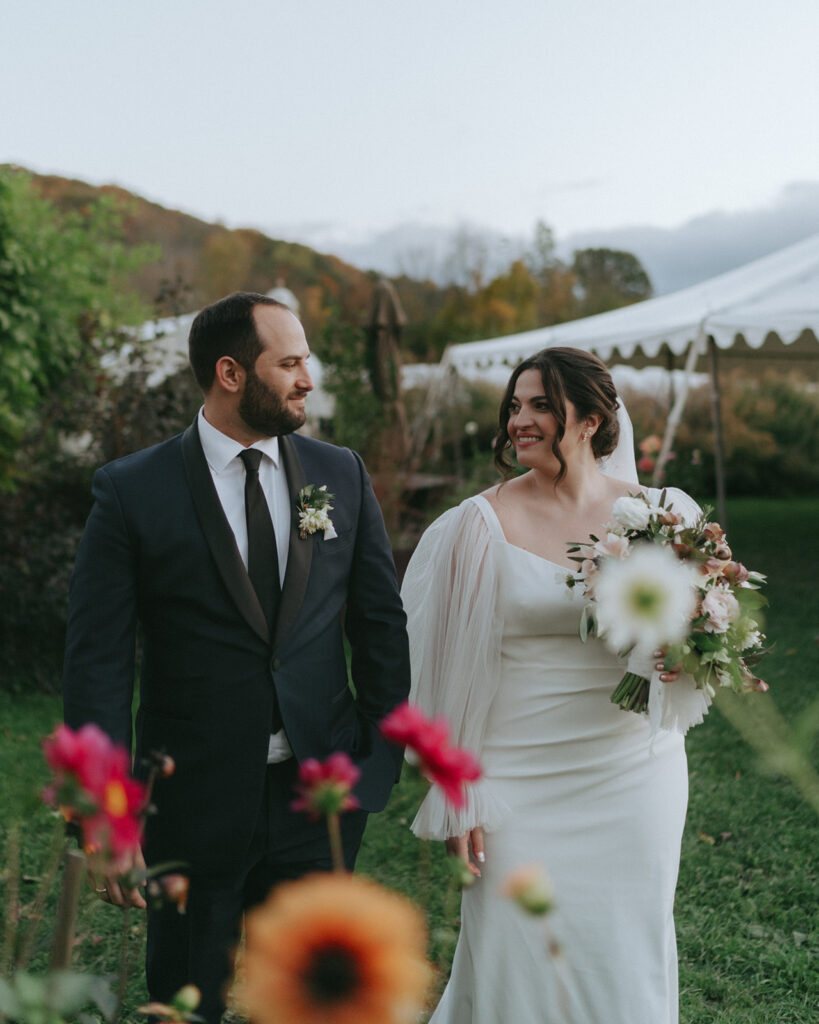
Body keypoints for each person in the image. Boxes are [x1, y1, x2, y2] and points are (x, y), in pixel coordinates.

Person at [62, 292, 410, 1023]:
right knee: (192, 1002)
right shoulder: (131, 491)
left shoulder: (338, 473)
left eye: (305, 360)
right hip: (189, 803)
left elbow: (379, 624)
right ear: (229, 372)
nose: (306, 378)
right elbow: (97, 664)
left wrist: (374, 761)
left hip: (319, 800)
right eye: (288, 362)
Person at [401, 348, 702, 1024]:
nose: (519, 420)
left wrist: (681, 654)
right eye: (514, 405)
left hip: (632, 774)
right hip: (517, 777)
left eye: (540, 405)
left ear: (591, 420)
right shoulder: (472, 528)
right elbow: (436, 665)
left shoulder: (661, 516)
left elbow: (693, 636)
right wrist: (455, 787)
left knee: (623, 947)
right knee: (514, 945)